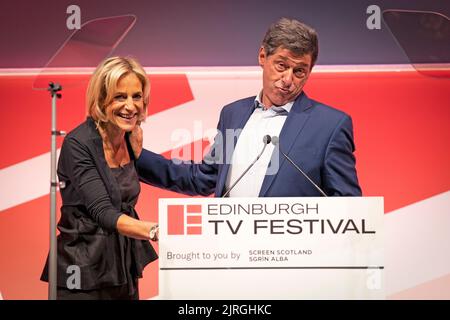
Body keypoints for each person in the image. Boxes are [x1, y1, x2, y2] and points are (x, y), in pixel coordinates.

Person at [133, 18, 362, 197]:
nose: (288, 79)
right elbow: (203, 179)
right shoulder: (233, 115)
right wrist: (133, 156)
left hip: (296, 255)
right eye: (281, 65)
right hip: (233, 252)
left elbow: (347, 203)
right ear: (263, 56)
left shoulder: (330, 125)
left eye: (299, 71)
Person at [41, 56, 159, 300]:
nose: (130, 106)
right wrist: (157, 230)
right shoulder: (78, 143)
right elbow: (103, 211)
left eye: (136, 96)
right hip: (83, 273)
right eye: (120, 97)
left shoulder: (131, 137)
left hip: (123, 268)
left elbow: (166, 175)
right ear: (101, 99)